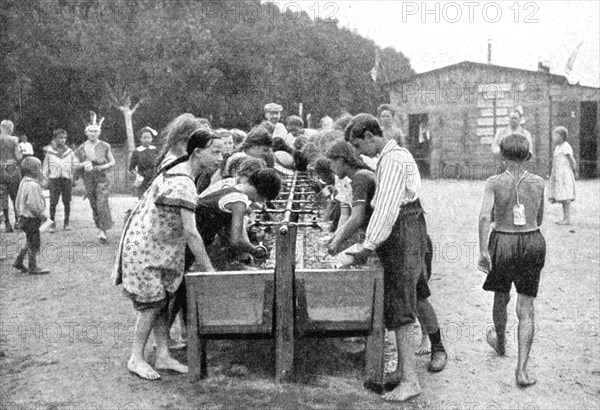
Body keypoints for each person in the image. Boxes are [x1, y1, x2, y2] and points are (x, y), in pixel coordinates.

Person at [344, 114, 447, 402]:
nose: (358, 151)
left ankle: (411, 381)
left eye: (357, 144)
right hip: (410, 224)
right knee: (412, 293)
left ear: (369, 136)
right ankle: (404, 371)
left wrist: (367, 246)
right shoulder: (394, 155)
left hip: (403, 227)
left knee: (401, 306)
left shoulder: (391, 161)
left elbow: (387, 209)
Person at [112, 128, 223, 380]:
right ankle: (136, 358)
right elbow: (192, 233)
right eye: (215, 152)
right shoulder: (183, 183)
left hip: (158, 247)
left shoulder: (180, 167)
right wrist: (209, 269)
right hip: (147, 249)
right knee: (150, 306)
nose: (220, 158)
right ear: (197, 152)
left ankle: (163, 354)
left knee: (161, 301)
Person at [478, 132, 546, 387]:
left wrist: (484, 250)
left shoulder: (494, 182)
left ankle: (501, 343)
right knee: (526, 308)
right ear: (527, 155)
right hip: (532, 241)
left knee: (500, 296)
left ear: (502, 155)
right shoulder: (538, 182)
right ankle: (522, 370)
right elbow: (539, 219)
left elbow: (485, 217)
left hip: (503, 241)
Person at [191, 168, 281, 270]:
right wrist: (256, 251)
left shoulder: (233, 190)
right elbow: (236, 240)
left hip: (191, 237)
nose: (262, 201)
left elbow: (233, 230)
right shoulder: (239, 202)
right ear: (264, 193)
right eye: (264, 198)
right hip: (192, 239)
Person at [74, 112, 115, 242]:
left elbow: (112, 161)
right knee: (94, 203)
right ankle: (99, 227)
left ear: (99, 133)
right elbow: (75, 164)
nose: (93, 133)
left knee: (102, 202)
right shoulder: (81, 148)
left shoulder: (105, 146)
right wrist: (82, 165)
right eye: (90, 131)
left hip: (102, 177)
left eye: (95, 131)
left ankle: (103, 230)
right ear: (86, 133)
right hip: (88, 177)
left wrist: (102, 167)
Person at [12, 157, 50, 275]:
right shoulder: (33, 185)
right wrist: (41, 216)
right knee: (33, 243)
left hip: (24, 217)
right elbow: (32, 205)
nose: (41, 171)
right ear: (34, 171)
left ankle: (18, 261)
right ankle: (33, 267)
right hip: (31, 218)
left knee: (29, 240)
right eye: (39, 168)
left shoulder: (24, 181)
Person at [42, 129, 80, 231]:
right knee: (53, 202)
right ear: (55, 139)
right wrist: (45, 180)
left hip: (66, 179)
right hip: (54, 180)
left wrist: (73, 177)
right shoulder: (50, 153)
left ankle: (66, 223)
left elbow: (74, 166)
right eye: (60, 138)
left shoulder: (69, 152)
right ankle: (52, 224)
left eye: (64, 138)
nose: (62, 140)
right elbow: (45, 167)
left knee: (67, 201)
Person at [548, 126, 577, 225]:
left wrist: (574, 170)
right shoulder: (557, 147)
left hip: (564, 175)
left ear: (561, 136)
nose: (553, 137)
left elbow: (571, 159)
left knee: (566, 197)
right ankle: (565, 218)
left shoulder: (565, 146)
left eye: (555, 135)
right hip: (558, 174)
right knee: (562, 196)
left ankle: (567, 218)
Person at [0, 120, 22, 232]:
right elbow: (18, 157)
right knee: (15, 196)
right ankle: (17, 221)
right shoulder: (14, 140)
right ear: (10, 129)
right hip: (12, 169)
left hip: (0, 170)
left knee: (3, 197)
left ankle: (7, 223)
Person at [129, 126, 158, 199]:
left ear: (152, 138)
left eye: (149, 137)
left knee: (153, 196)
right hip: (142, 177)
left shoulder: (155, 150)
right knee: (142, 197)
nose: (147, 139)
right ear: (140, 139)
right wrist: (138, 175)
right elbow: (131, 167)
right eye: (144, 137)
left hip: (154, 176)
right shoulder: (137, 152)